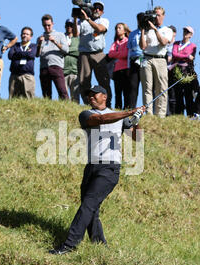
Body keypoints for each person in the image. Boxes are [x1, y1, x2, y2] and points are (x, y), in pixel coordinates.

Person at [49, 85, 146, 255]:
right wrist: (130, 112)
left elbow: (137, 138)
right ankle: (100, 245)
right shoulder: (86, 114)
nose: (91, 97)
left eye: (95, 94)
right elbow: (102, 120)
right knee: (91, 209)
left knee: (88, 205)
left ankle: (69, 245)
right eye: (89, 95)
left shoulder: (120, 118)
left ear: (105, 96)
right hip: (91, 167)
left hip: (109, 169)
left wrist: (137, 121)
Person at [74, 1, 112, 107]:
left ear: (102, 12)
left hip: (98, 54)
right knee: (84, 80)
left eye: (99, 8)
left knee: (103, 80)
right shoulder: (82, 21)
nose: (97, 10)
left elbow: (100, 28)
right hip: (84, 54)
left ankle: (107, 104)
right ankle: (88, 104)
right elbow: (75, 34)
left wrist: (88, 19)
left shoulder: (104, 20)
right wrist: (76, 18)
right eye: (95, 7)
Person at [139, 6, 173, 118]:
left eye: (158, 15)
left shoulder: (167, 30)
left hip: (160, 59)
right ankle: (148, 112)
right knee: (147, 87)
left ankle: (160, 114)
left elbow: (163, 42)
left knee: (161, 88)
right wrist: (143, 29)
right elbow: (143, 46)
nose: (156, 17)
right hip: (147, 58)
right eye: (155, 15)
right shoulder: (147, 30)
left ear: (163, 16)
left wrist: (155, 29)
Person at [36, 14, 69, 100]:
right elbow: (37, 55)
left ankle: (66, 107)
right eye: (45, 25)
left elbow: (66, 50)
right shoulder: (40, 38)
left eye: (48, 25)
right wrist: (39, 44)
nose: (47, 27)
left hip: (56, 66)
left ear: (53, 24)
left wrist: (55, 41)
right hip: (44, 67)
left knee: (62, 91)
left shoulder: (60, 35)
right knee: (46, 94)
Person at [169, 26, 198, 116]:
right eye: (184, 31)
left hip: (187, 71)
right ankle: (179, 114)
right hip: (176, 69)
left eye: (188, 32)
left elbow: (191, 58)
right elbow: (174, 54)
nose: (185, 33)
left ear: (191, 35)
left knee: (188, 93)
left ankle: (190, 115)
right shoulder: (177, 43)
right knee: (178, 94)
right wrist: (186, 56)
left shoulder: (193, 46)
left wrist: (180, 55)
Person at [8, 27, 36, 99]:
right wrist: (26, 53)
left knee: (29, 98)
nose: (25, 35)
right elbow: (10, 55)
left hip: (27, 76)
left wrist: (17, 54)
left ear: (31, 36)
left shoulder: (33, 46)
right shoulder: (15, 45)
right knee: (13, 98)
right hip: (14, 76)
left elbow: (32, 55)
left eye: (27, 34)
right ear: (21, 35)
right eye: (23, 34)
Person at [108, 23, 130, 109]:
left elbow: (126, 54)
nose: (117, 30)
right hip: (116, 70)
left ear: (124, 30)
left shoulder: (127, 41)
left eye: (119, 28)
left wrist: (116, 54)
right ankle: (117, 108)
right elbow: (110, 54)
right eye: (116, 28)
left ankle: (127, 108)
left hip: (125, 69)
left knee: (126, 91)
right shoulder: (115, 43)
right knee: (117, 92)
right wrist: (119, 54)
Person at [126, 13, 143, 109]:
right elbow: (129, 51)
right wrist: (128, 66)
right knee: (133, 86)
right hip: (133, 60)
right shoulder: (132, 34)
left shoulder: (149, 32)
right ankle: (131, 107)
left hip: (144, 59)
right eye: (139, 19)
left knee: (146, 86)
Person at [64, 18, 80, 103]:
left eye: (71, 25)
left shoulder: (77, 39)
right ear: (65, 26)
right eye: (68, 25)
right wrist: (72, 50)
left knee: (75, 96)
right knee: (64, 97)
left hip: (75, 71)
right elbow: (59, 51)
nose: (69, 27)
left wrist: (65, 50)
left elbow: (78, 51)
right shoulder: (61, 37)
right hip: (63, 71)